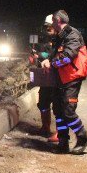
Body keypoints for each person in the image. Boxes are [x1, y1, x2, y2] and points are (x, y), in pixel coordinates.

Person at [42, 10, 87, 154]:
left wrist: (52, 63)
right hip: (61, 78)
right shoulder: (60, 36)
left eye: (52, 22)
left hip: (72, 78)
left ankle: (82, 138)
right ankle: (63, 142)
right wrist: (47, 60)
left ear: (57, 20)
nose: (51, 25)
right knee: (58, 110)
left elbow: (68, 56)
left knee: (68, 111)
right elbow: (55, 53)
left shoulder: (73, 34)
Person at [29, 14, 58, 143]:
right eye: (46, 27)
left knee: (59, 107)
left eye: (50, 26)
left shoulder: (61, 40)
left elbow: (55, 55)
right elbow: (41, 56)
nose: (48, 29)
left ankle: (59, 133)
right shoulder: (45, 42)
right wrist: (35, 57)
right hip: (46, 79)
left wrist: (43, 55)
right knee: (43, 103)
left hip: (58, 80)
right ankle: (45, 127)